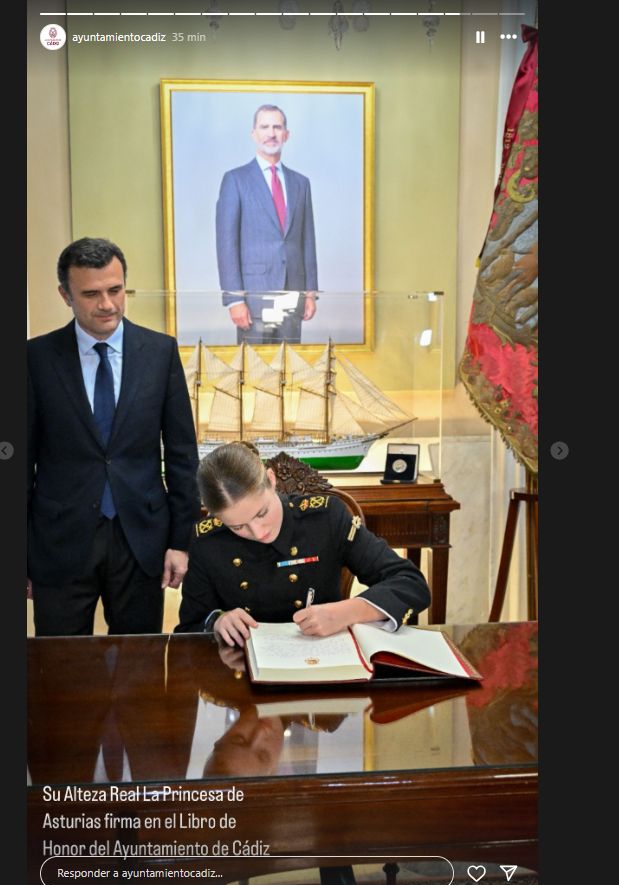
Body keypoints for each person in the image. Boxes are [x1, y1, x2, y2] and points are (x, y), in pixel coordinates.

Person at [27, 237, 200, 636]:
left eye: (115, 290)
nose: (107, 304)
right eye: (91, 293)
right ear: (65, 295)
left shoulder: (160, 352)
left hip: (141, 540)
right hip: (58, 543)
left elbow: (181, 456)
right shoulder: (34, 359)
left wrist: (181, 541)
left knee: (139, 673)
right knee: (61, 678)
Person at [175, 441, 430, 642]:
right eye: (238, 526)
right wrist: (217, 622)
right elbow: (190, 627)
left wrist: (346, 612)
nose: (259, 531)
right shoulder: (207, 540)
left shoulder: (325, 518)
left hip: (323, 667)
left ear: (272, 480)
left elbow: (411, 583)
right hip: (245, 678)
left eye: (262, 513)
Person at [215, 104, 318, 345]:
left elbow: (308, 241)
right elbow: (226, 244)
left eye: (277, 127)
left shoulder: (301, 183)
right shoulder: (235, 180)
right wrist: (234, 299)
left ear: (286, 134)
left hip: (293, 295)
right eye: (264, 127)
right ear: (254, 134)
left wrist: (310, 293)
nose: (271, 133)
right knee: (255, 373)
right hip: (254, 298)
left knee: (289, 372)